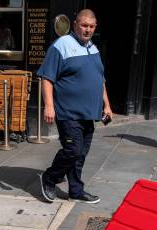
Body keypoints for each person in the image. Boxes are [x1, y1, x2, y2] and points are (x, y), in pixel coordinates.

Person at [37, 9, 112, 204]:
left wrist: (107, 105)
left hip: (89, 113)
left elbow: (100, 80)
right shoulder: (61, 45)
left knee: (80, 155)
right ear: (75, 24)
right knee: (73, 150)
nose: (88, 30)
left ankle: (76, 191)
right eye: (84, 25)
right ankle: (50, 177)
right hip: (68, 111)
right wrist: (49, 106)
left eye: (91, 26)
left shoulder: (93, 47)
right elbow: (47, 77)